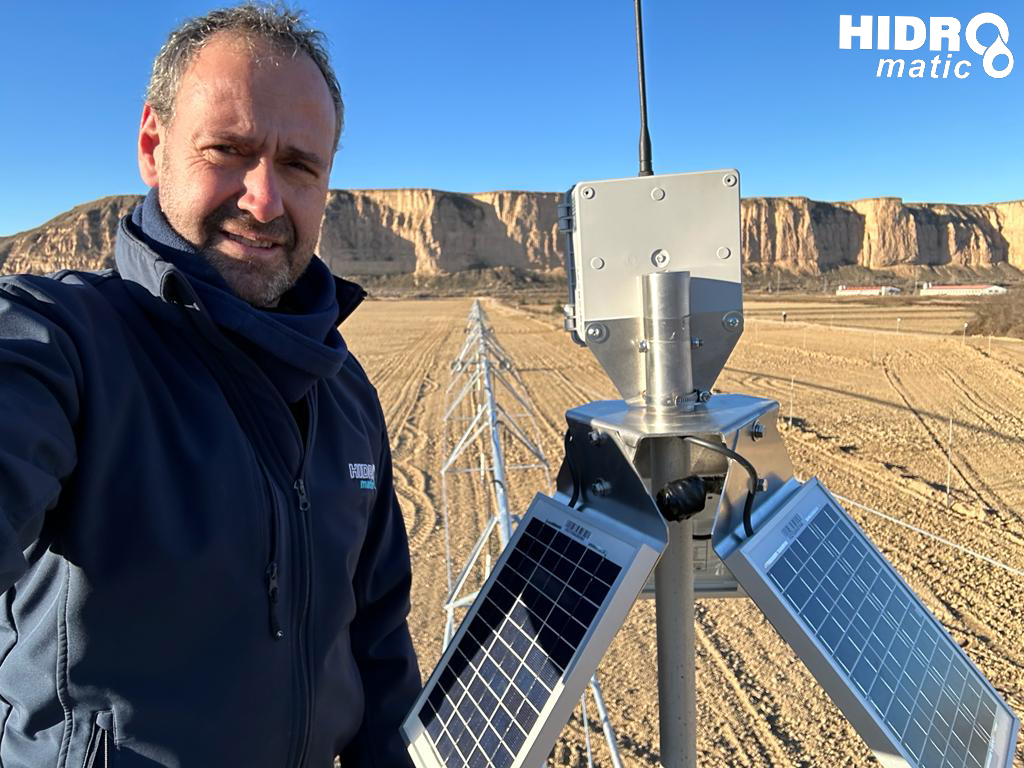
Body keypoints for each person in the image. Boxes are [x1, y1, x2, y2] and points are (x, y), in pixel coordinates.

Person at [0, 5, 420, 766]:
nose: (263, 200)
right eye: (228, 150)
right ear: (152, 147)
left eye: (299, 166)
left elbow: (379, 644)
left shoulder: (344, 390)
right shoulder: (61, 342)